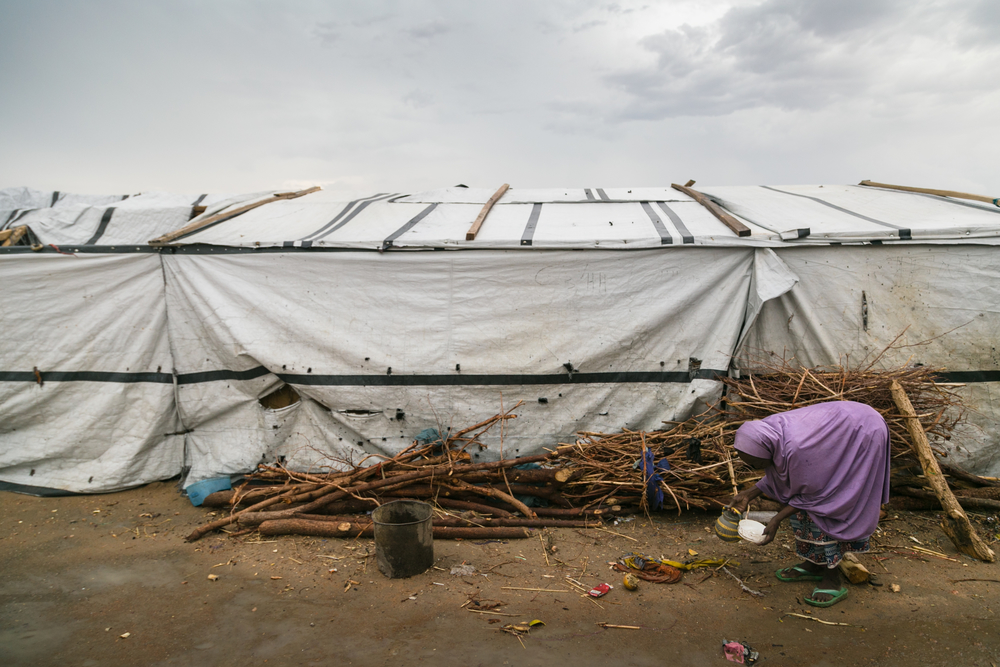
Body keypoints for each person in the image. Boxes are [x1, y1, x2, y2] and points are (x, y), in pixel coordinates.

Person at [728, 401, 890, 607]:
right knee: (802, 506)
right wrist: (748, 494)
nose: (754, 468)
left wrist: (777, 519)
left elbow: (814, 494)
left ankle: (832, 578)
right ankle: (814, 564)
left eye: (755, 464)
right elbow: (789, 474)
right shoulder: (768, 433)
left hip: (862, 432)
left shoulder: (796, 449)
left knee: (830, 505)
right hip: (837, 435)